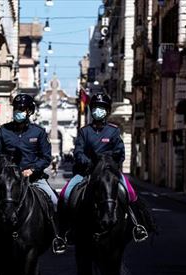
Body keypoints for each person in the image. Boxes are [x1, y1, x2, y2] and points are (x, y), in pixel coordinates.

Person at [0, 94, 67, 254]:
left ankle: (56, 237)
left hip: (33, 179)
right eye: (16, 109)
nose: (18, 112)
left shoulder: (38, 133)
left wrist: (32, 169)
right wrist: (5, 167)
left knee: (53, 201)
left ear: (29, 111)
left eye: (22, 109)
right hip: (9, 181)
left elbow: (46, 157)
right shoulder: (4, 131)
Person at [59, 93, 149, 242]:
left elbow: (120, 153)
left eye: (101, 108)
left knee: (130, 193)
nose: (98, 111)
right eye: (95, 108)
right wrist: (88, 163)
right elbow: (78, 152)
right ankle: (64, 232)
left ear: (107, 111)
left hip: (109, 172)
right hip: (86, 173)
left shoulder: (113, 131)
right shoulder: (84, 131)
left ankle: (137, 225)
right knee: (65, 194)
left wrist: (109, 164)